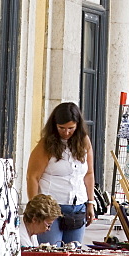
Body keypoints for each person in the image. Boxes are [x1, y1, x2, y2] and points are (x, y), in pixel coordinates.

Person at [26, 101, 96, 245]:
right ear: (55, 126)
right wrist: (36, 208)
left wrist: (90, 202)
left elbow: (89, 173)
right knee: (51, 251)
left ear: (77, 126)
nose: (66, 132)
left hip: (78, 207)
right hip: (52, 208)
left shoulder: (84, 142)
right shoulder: (46, 145)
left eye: (71, 128)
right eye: (61, 128)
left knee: (73, 253)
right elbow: (32, 177)